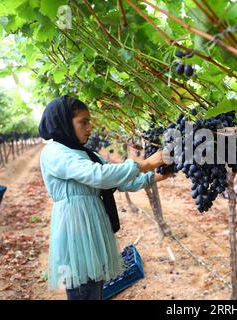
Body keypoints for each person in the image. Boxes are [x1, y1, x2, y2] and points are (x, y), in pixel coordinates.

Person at [38, 95, 170, 300]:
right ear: (63, 122)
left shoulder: (85, 153)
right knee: (83, 288)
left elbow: (123, 181)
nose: (89, 127)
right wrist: (146, 164)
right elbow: (97, 175)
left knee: (93, 286)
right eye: (84, 122)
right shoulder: (54, 152)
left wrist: (159, 175)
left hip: (92, 224)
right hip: (76, 228)